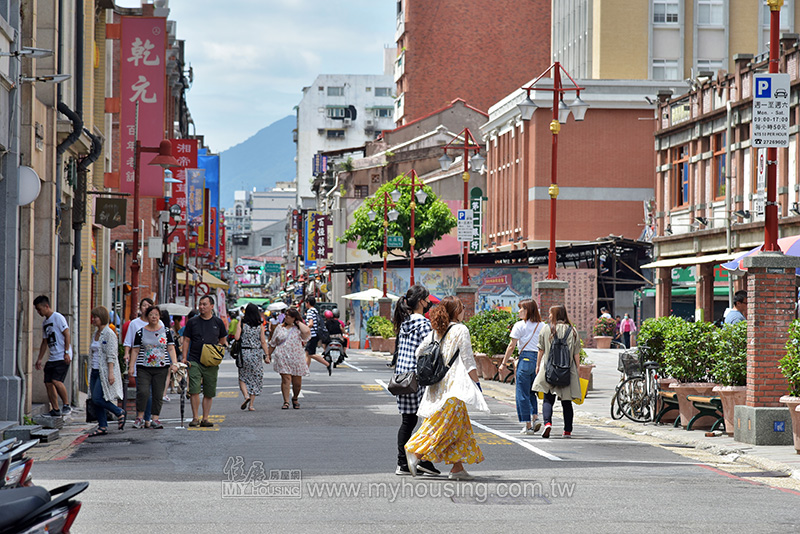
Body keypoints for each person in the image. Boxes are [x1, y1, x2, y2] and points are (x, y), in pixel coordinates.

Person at [405, 296, 488, 480]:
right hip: (454, 387)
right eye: (462, 307)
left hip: (437, 386)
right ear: (455, 311)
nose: (465, 309)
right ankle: (416, 452)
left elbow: (419, 352)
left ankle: (457, 468)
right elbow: (468, 360)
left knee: (460, 427)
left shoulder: (437, 331)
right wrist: (477, 384)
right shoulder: (460, 329)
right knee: (444, 425)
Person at [392, 284, 439, 477]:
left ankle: (403, 463)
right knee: (428, 420)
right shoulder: (423, 325)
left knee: (408, 420)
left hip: (402, 377)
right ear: (421, 301)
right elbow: (429, 352)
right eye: (427, 299)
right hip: (417, 377)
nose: (429, 303)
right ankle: (424, 460)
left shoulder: (404, 323)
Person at [533, 305, 583, 438]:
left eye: (550, 313)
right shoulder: (572, 331)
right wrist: (577, 369)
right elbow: (576, 353)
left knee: (548, 399)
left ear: (555, 315)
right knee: (566, 402)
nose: (549, 316)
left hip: (549, 369)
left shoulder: (546, 329)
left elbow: (541, 350)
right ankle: (567, 431)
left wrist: (538, 365)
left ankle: (548, 423)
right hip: (567, 370)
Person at [501, 299, 546, 435]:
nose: (519, 311)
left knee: (522, 393)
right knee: (532, 392)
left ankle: (528, 425)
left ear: (528, 310)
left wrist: (503, 363)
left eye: (522, 309)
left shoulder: (520, 325)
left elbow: (511, 345)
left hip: (525, 359)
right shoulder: (542, 325)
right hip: (538, 360)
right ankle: (535, 417)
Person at [182, 295, 228, 427]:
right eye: (200, 304)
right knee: (194, 389)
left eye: (204, 304)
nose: (201, 307)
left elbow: (222, 340)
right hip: (194, 359)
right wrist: (184, 358)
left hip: (211, 362)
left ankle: (205, 418)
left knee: (209, 391)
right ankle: (195, 417)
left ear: (211, 306)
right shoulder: (192, 322)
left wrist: (215, 353)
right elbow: (186, 340)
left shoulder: (218, 322)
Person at [130, 306, 178, 429]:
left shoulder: (166, 332)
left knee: (158, 393)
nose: (154, 317)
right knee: (143, 392)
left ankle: (155, 418)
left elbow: (171, 348)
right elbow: (135, 350)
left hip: (161, 366)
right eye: (151, 315)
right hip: (143, 366)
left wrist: (175, 363)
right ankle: (139, 417)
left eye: (156, 315)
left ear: (159, 316)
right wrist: (131, 366)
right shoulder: (140, 332)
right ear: (147, 317)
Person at [86, 306, 126, 437]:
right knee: (94, 399)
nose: (93, 319)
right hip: (94, 370)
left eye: (95, 317)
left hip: (104, 371)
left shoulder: (109, 334)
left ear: (102, 317)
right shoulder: (95, 334)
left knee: (98, 398)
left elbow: (111, 354)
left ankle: (119, 411)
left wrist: (111, 372)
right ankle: (102, 425)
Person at [123, 298, 160, 426]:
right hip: (140, 361)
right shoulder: (134, 324)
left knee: (152, 392)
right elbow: (129, 342)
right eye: (144, 305)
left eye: (149, 305)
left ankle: (148, 418)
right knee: (142, 391)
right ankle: (141, 416)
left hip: (156, 363)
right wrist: (127, 355)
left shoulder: (159, 324)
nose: (146, 307)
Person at [33, 295, 72, 417]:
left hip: (62, 356)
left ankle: (66, 405)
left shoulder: (58, 317)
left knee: (56, 380)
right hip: (52, 357)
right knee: (48, 382)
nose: (39, 312)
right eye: (37, 310)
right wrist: (39, 358)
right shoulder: (45, 322)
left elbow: (67, 334)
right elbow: (44, 342)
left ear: (46, 306)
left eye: (39, 309)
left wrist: (66, 352)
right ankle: (55, 409)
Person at [267, 308, 311, 409]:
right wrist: (268, 355)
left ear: (294, 318)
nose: (286, 317)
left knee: (297, 383)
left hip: (297, 358)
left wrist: (298, 322)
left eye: (289, 316)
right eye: (286, 315)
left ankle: (295, 398)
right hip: (282, 357)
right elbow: (273, 343)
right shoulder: (279, 327)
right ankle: (286, 401)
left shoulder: (299, 328)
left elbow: (307, 332)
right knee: (286, 379)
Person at [235, 303, 271, 411]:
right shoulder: (260, 325)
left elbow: (237, 337)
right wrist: (267, 355)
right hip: (256, 353)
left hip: (244, 352)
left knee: (243, 377)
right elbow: (263, 341)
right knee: (255, 378)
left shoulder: (242, 323)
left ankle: (246, 396)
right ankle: (251, 405)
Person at [303, 296, 332, 375]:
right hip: (315, 334)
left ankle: (327, 364)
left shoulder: (309, 311)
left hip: (312, 335)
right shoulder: (315, 311)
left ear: (308, 303)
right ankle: (306, 370)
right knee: (307, 353)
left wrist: (304, 328)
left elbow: (311, 324)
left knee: (311, 354)